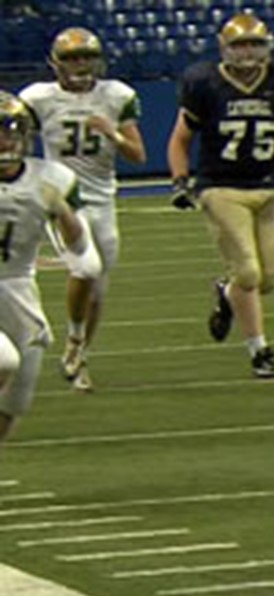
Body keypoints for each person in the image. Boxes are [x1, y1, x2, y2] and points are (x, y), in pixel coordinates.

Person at [166, 12, 274, 378]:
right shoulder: (205, 82)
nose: (247, 52)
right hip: (220, 186)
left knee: (269, 279)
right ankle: (260, 353)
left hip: (267, 187)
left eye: (254, 44)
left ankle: (226, 292)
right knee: (250, 272)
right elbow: (180, 138)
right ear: (224, 48)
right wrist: (181, 180)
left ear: (267, 46)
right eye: (239, 45)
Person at [19, 27, 146, 393]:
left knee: (99, 289)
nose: (80, 64)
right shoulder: (39, 98)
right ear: (56, 62)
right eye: (73, 57)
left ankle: (79, 357)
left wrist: (114, 134)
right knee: (85, 267)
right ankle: (74, 340)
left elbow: (138, 155)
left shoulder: (117, 95)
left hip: (103, 197)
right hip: (61, 198)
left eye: (86, 56)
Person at [0, 91, 101, 448]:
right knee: (3, 360)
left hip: (18, 286)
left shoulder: (52, 177)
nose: (6, 139)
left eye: (13, 130)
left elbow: (77, 247)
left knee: (16, 401)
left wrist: (61, 209)